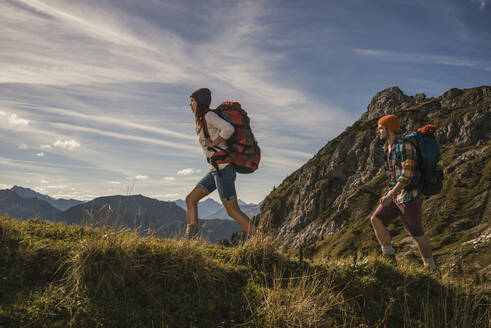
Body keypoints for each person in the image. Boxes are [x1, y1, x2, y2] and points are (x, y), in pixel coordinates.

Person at [184, 88, 255, 239]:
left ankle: (261, 241)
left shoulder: (209, 116)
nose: (190, 105)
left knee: (233, 211)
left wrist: (213, 143)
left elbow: (229, 129)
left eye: (192, 101)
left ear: (200, 102)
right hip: (215, 170)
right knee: (191, 199)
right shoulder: (202, 119)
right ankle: (190, 241)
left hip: (223, 170)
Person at [370, 114, 437, 270]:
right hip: (396, 194)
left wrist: (389, 195)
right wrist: (391, 194)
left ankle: (431, 268)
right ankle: (389, 259)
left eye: (381, 128)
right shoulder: (387, 148)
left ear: (389, 129)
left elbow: (406, 176)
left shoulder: (404, 146)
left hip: (410, 195)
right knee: (376, 219)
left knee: (416, 233)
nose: (378, 132)